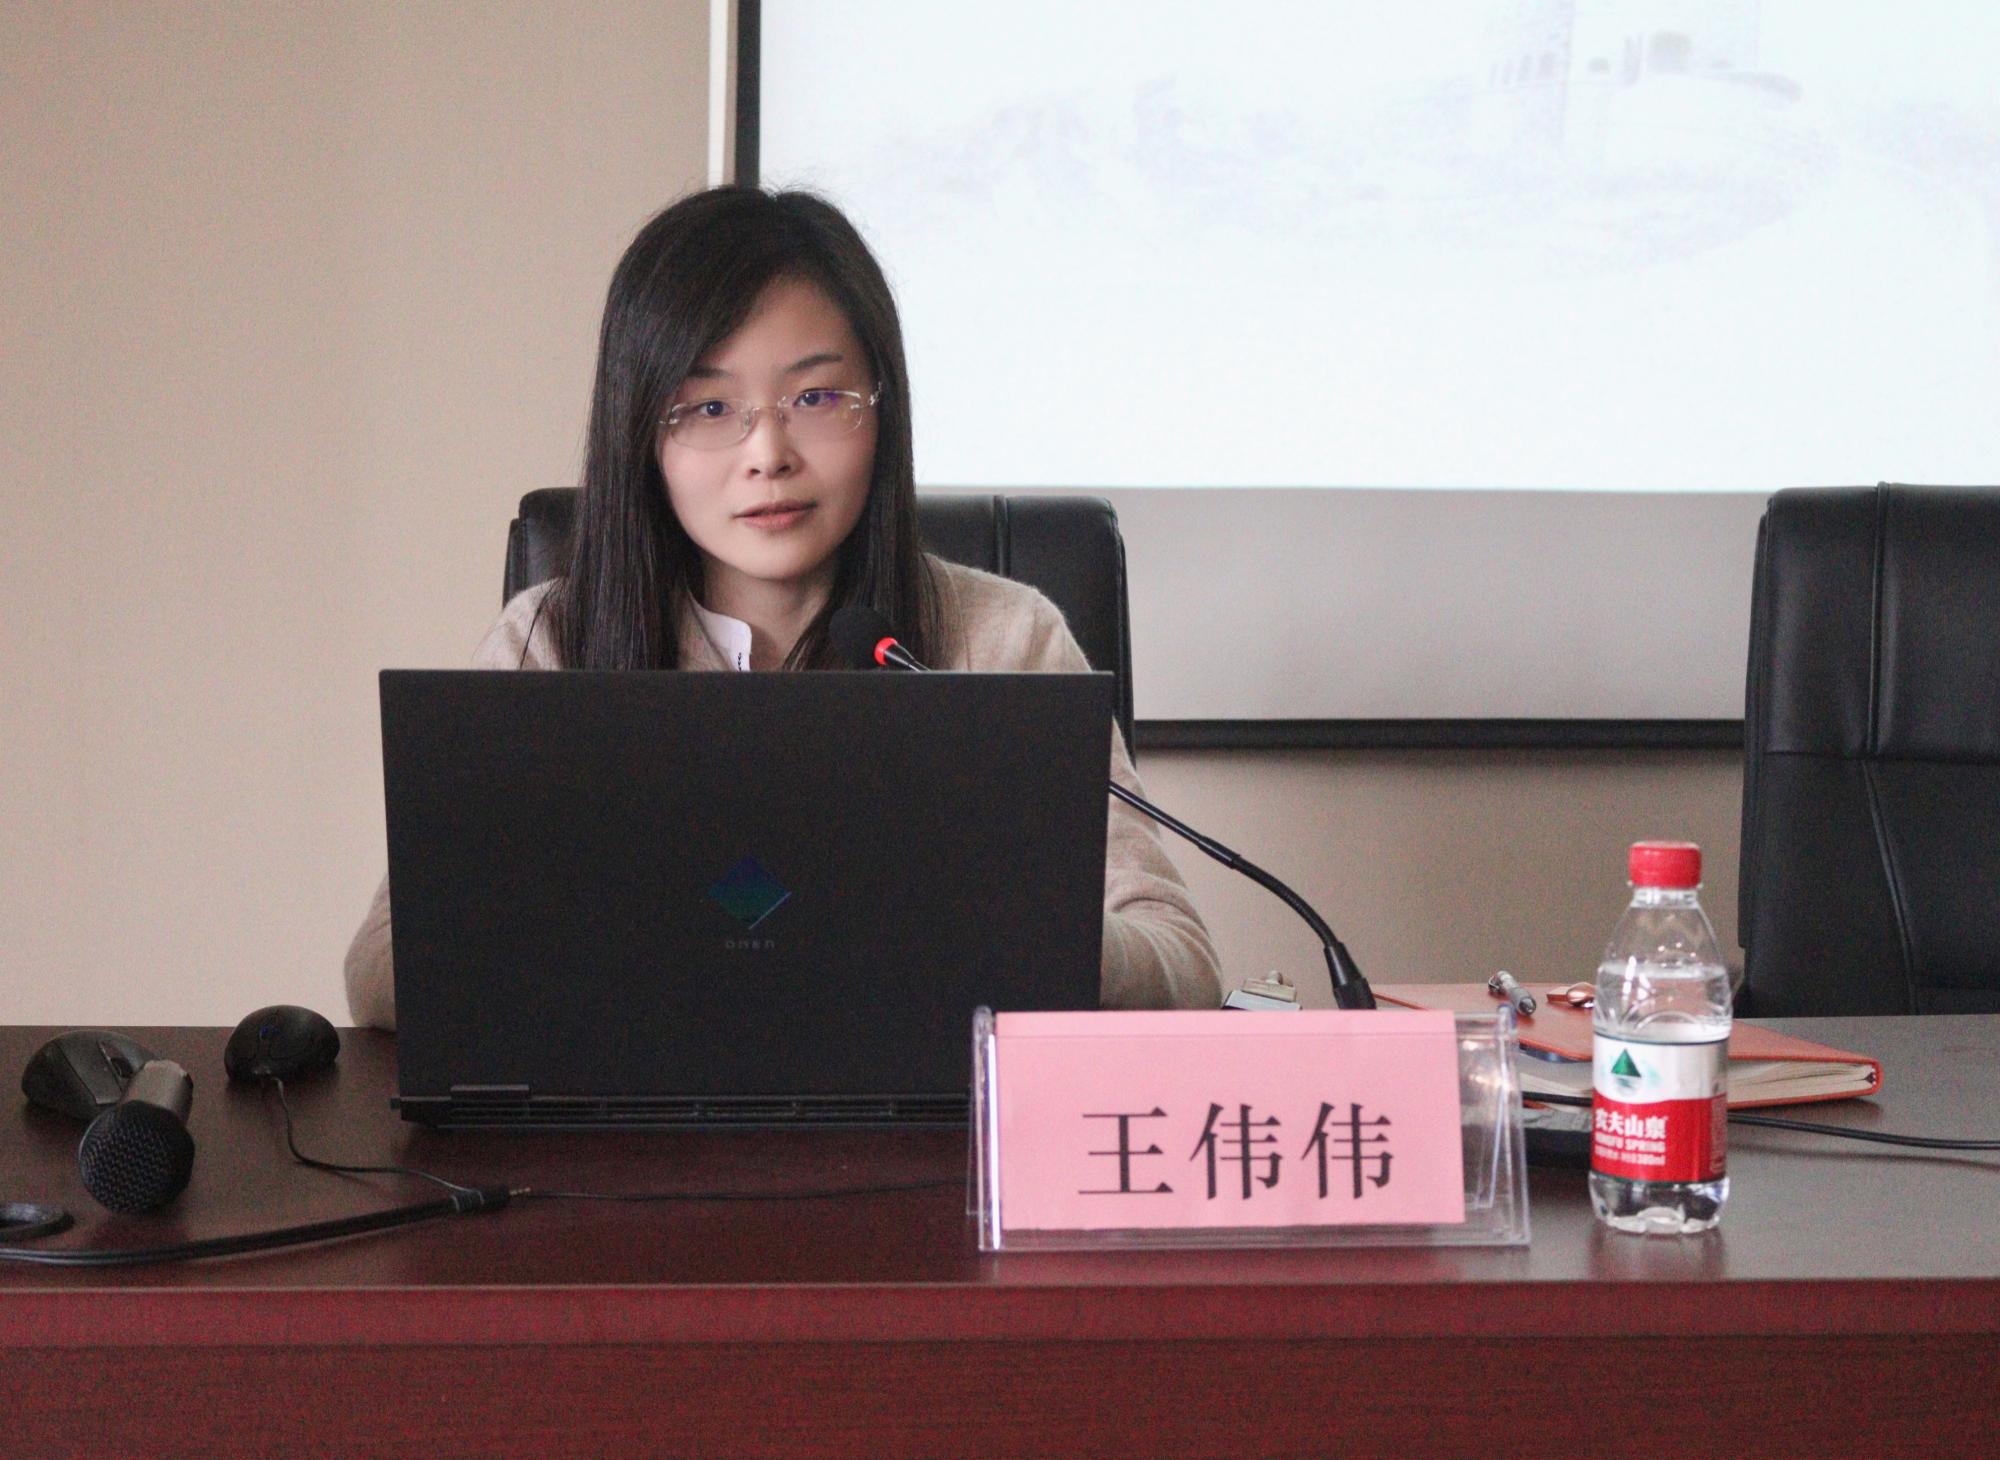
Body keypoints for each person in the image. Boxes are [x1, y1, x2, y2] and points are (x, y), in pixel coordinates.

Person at [344, 186, 1222, 1028]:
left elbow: (1181, 962)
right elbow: (383, 968)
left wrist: (990, 927)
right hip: (627, 1116)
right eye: (707, 406)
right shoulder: (548, 642)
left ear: (884, 412)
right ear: (640, 435)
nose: (768, 452)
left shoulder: (1006, 638)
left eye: (816, 398)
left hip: (924, 1116)